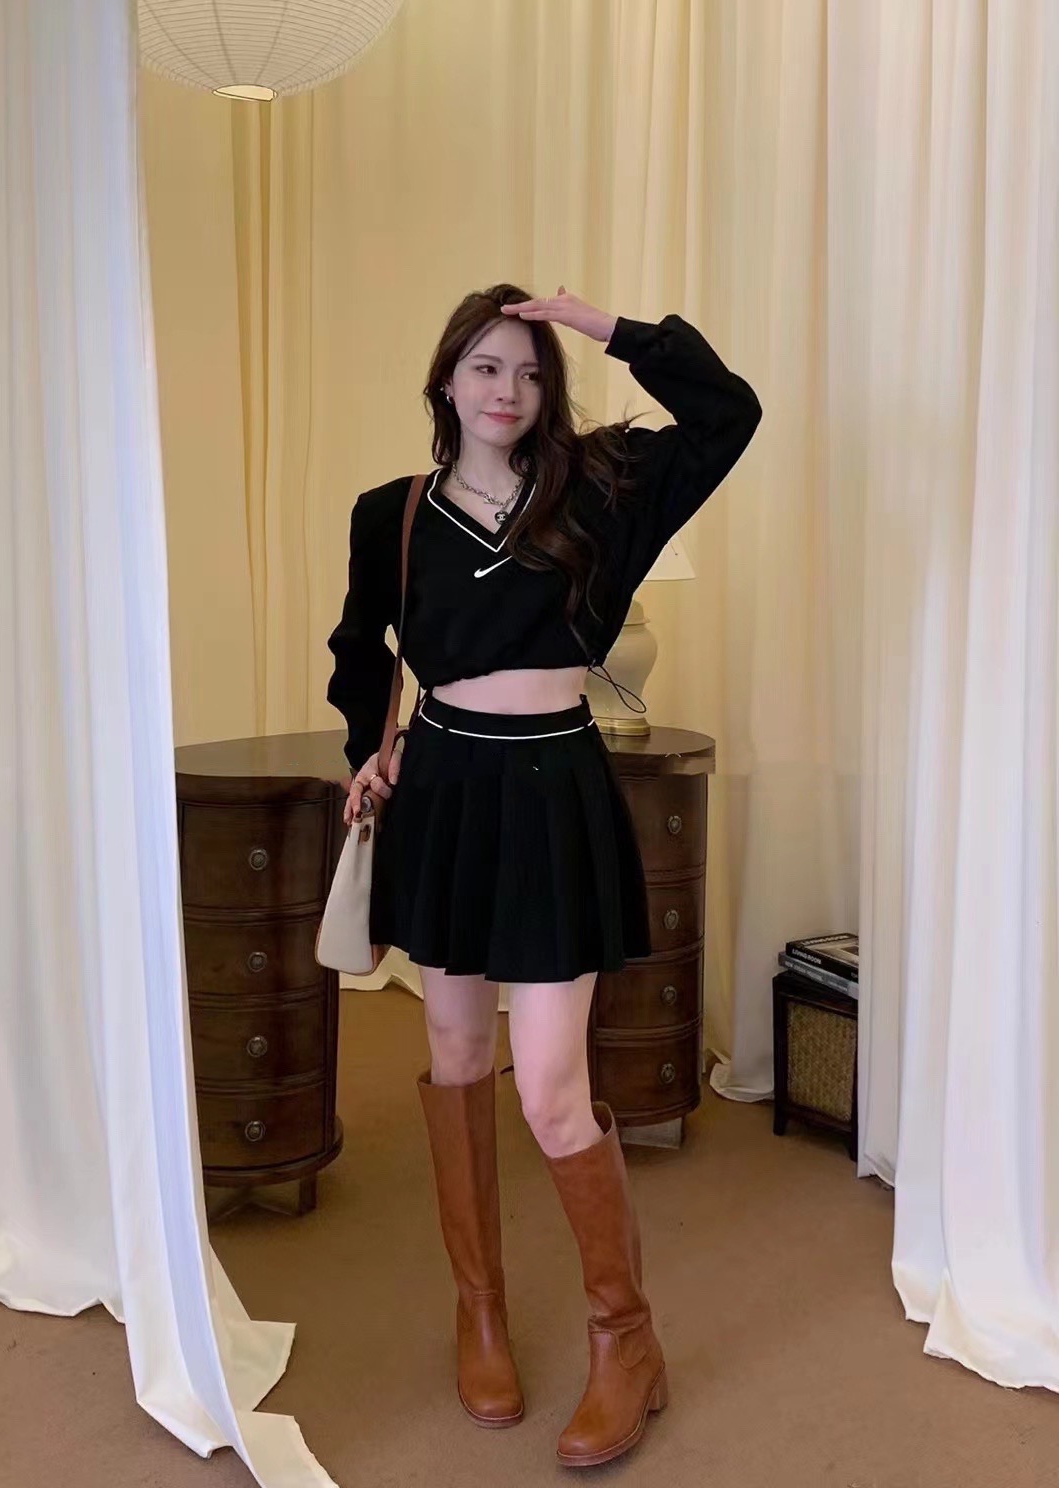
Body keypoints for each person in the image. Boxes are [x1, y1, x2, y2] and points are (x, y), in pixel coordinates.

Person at [326, 285, 761, 1468]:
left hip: (553, 790)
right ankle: (480, 1313)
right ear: (446, 381)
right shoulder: (392, 514)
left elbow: (728, 412)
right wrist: (369, 744)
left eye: (527, 369)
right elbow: (362, 646)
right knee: (457, 1054)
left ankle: (627, 1339)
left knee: (552, 1088)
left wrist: (600, 323)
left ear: (549, 384)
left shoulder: (602, 492)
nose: (506, 390)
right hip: (445, 794)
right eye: (484, 366)